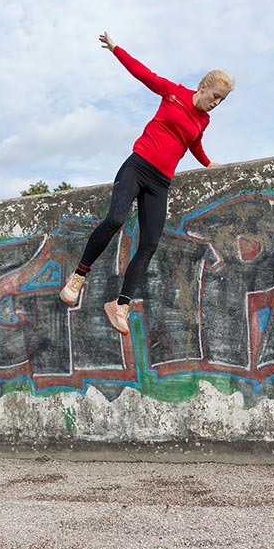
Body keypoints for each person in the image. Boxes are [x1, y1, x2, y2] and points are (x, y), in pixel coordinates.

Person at [59, 31, 233, 334]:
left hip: (160, 182)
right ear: (203, 87)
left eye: (222, 100)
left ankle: (121, 305)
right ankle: (78, 276)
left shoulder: (203, 120)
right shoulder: (173, 92)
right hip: (138, 166)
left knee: (150, 243)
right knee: (114, 219)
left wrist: (206, 163)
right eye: (215, 96)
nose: (217, 103)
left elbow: (193, 142)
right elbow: (143, 74)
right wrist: (116, 49)